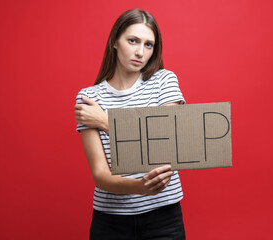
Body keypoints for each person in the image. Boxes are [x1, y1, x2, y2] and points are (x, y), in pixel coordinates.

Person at [74, 9, 186, 239]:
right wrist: (139, 188)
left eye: (148, 45)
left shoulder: (164, 81)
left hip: (164, 216)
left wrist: (107, 123)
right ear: (115, 41)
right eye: (132, 40)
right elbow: (100, 175)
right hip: (111, 220)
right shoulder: (88, 98)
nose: (140, 52)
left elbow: (165, 145)